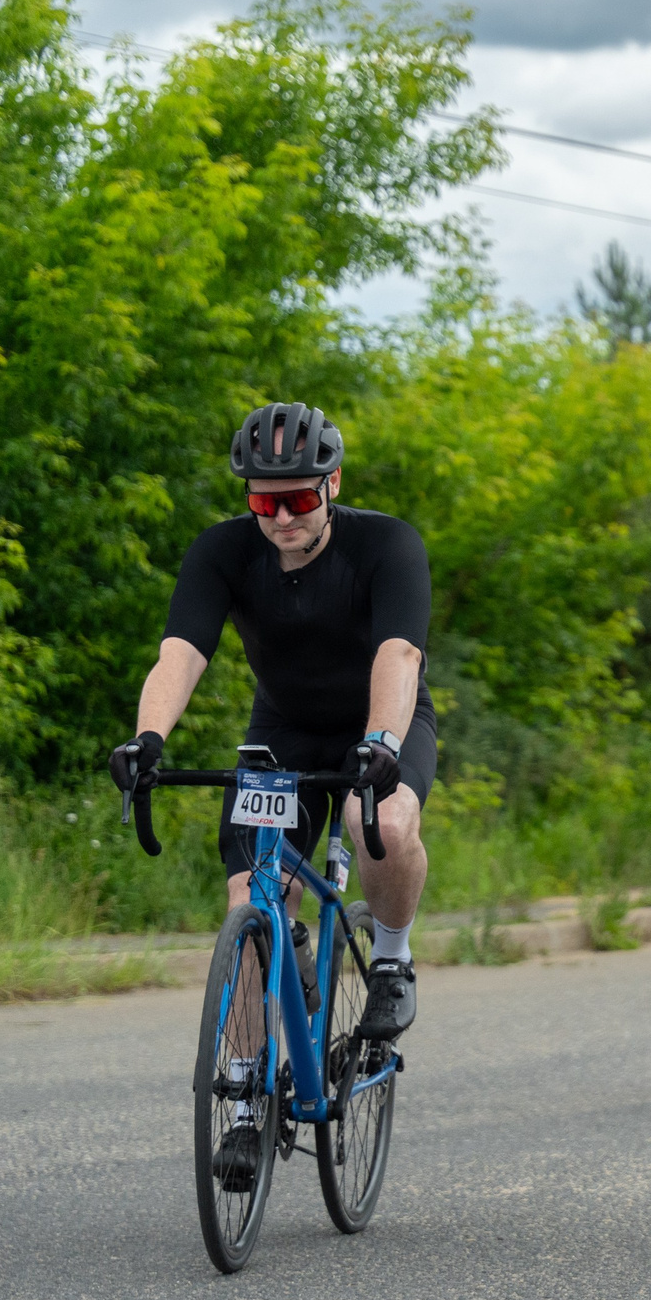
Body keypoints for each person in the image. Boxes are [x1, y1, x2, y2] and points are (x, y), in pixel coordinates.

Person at [109, 402, 435, 1191]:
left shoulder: (386, 544)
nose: (282, 517)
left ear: (333, 484)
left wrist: (381, 745)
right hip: (283, 733)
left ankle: (391, 963)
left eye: (298, 498)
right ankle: (245, 1097)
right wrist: (146, 740)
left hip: (380, 723)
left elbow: (398, 652)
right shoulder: (222, 552)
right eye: (264, 500)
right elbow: (181, 653)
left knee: (381, 820)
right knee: (251, 897)